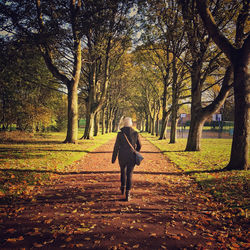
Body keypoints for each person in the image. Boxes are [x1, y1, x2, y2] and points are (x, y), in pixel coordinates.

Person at [111, 117, 142, 201]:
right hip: (131, 156)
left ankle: (122, 187)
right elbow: (139, 145)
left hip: (122, 156)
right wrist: (136, 151)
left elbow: (116, 146)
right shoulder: (135, 133)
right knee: (129, 174)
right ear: (131, 124)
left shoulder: (120, 134)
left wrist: (113, 158)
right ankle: (128, 193)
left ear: (124, 124)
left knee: (122, 172)